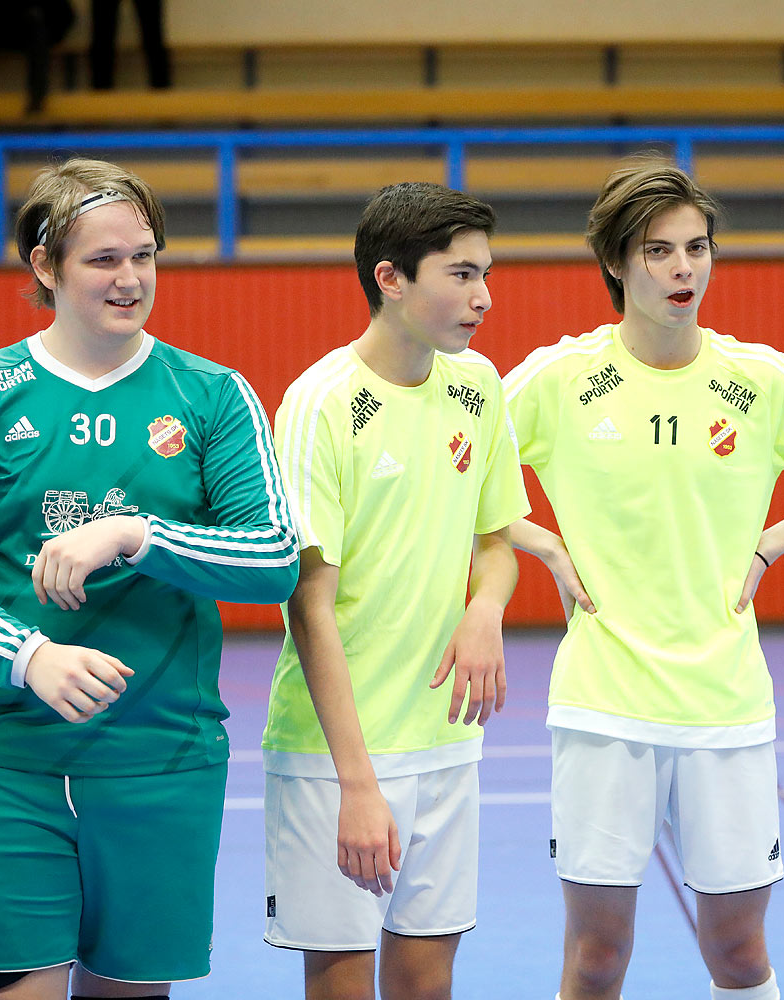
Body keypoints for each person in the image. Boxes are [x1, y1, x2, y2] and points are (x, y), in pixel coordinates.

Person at [0, 157, 300, 1000]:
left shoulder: (213, 394)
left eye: (144, 255)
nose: (131, 279)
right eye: (104, 260)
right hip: (11, 760)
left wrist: (136, 533)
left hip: (163, 758)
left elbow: (274, 559)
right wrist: (27, 653)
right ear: (45, 267)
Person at [504, 157, 784, 1000]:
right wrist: (543, 546)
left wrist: (768, 547)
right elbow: (452, 472)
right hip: (604, 700)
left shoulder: (757, 378)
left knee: (741, 955)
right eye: (658, 252)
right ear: (615, 263)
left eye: (697, 247)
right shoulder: (561, 378)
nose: (684, 269)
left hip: (725, 703)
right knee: (597, 957)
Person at [261, 181, 529, 1000]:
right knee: (342, 982)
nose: (483, 297)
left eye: (485, 273)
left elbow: (497, 539)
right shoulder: (321, 404)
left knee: (426, 983)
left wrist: (485, 608)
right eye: (460, 274)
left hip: (446, 744)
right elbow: (308, 606)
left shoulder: (477, 384)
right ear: (391, 278)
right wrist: (357, 784)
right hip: (335, 756)